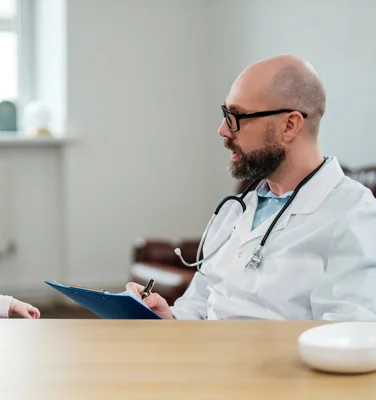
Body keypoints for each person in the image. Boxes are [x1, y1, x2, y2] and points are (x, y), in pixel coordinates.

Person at [126, 54, 376, 321]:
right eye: (225, 114)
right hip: (206, 358)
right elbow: (199, 305)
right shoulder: (235, 210)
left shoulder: (355, 216)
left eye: (237, 117)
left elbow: (346, 337)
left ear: (289, 126)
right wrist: (170, 317)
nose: (223, 130)